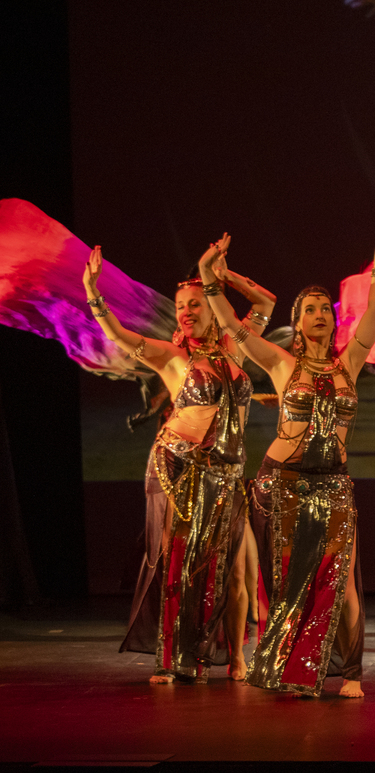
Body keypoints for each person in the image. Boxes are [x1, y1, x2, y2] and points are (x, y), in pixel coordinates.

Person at [199, 224, 375, 697]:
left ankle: (352, 674)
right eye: (309, 310)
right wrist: (208, 276)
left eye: (324, 309)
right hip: (283, 483)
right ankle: (289, 666)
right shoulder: (281, 363)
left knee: (342, 582)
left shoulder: (349, 363)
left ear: (334, 321)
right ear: (296, 323)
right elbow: (233, 326)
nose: (319, 315)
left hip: (333, 483)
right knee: (289, 582)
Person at [84, 246, 273, 683]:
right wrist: (93, 293)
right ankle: (169, 659)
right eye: (181, 306)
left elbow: (265, 303)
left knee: (231, 571)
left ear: (214, 308)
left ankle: (230, 657)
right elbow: (118, 335)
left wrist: (223, 277)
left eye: (195, 304)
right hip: (179, 470)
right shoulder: (173, 357)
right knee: (178, 565)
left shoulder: (237, 348)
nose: (186, 312)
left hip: (227, 473)